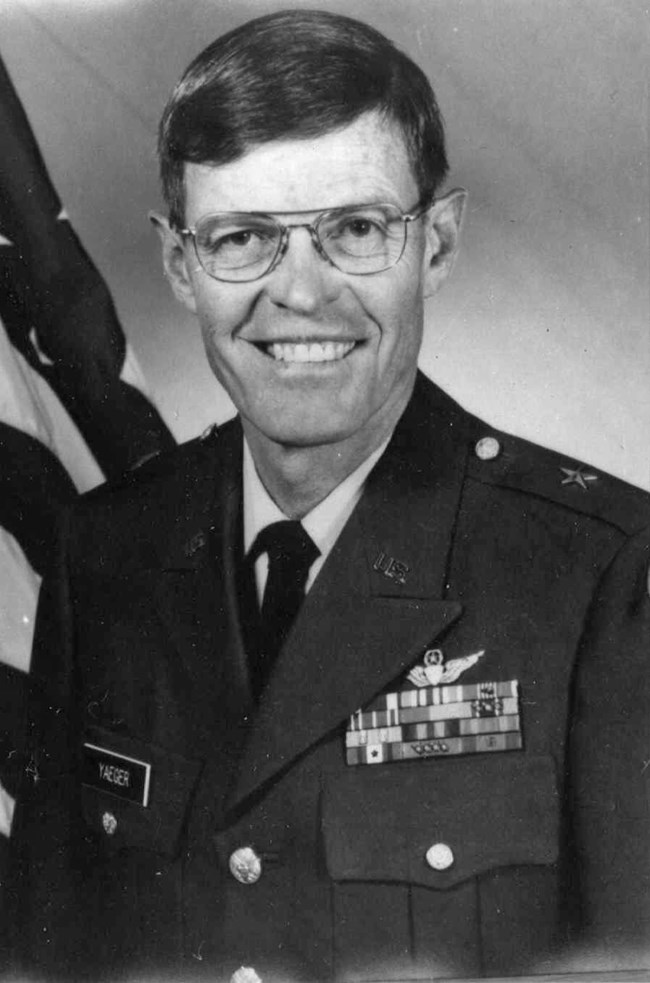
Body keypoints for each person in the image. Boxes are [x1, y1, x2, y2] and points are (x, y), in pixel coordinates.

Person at [10, 9, 650, 982]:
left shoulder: (603, 572)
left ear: (434, 243)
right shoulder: (106, 554)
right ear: (181, 263)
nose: (300, 292)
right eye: (243, 237)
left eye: (354, 228)